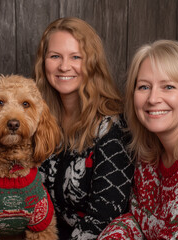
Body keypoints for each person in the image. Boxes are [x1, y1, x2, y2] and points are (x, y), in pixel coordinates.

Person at [98, 40, 178, 239]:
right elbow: (135, 223)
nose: (152, 98)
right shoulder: (149, 157)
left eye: (168, 86)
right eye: (143, 87)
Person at [34, 17, 134, 239]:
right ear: (43, 62)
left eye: (76, 57)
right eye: (55, 56)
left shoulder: (112, 127)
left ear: (92, 63)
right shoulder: (39, 118)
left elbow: (104, 219)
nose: (64, 66)